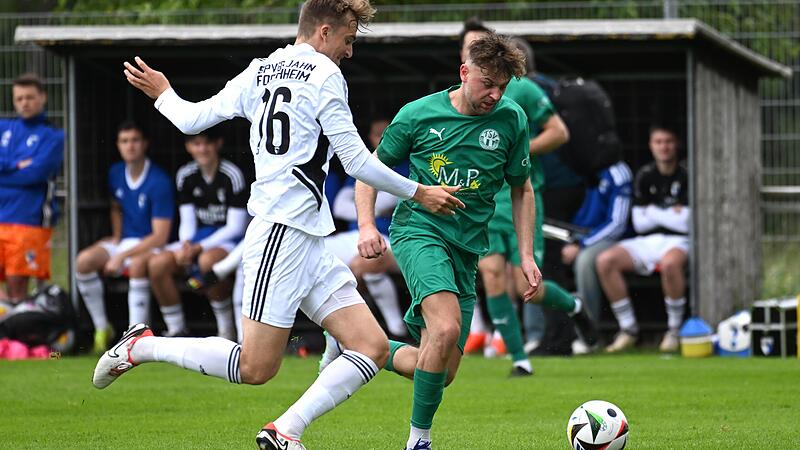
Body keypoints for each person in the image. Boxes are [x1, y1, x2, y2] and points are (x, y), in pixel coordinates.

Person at [94, 1, 463, 449]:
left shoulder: (259, 70)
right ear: (324, 32)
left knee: (371, 347)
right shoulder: (326, 76)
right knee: (256, 368)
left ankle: (284, 430)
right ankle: (143, 346)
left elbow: (191, 119)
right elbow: (356, 160)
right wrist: (419, 191)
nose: (349, 51)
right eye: (348, 39)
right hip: (279, 232)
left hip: (308, 237)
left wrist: (164, 92)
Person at [346, 32, 542, 450]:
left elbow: (522, 188)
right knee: (446, 326)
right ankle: (419, 441)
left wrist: (526, 255)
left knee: (440, 368)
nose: (495, 95)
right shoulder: (418, 115)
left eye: (503, 87)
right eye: (487, 83)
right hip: (419, 232)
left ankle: (357, 342)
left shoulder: (512, 119)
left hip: (468, 248)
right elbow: (369, 170)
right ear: (463, 72)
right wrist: (367, 227)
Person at [460, 21, 597, 369]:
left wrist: (518, 153)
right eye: (466, 46)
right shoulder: (462, 95)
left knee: (526, 283)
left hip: (520, 196)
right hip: (484, 202)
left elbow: (559, 133)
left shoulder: (521, 90)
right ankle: (520, 360)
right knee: (491, 274)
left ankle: (573, 306)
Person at [75, 121, 174, 353]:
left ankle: (134, 337)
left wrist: (121, 256)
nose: (130, 146)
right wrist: (117, 238)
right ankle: (102, 328)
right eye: (124, 141)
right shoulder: (115, 172)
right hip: (125, 243)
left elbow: (160, 236)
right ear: (118, 145)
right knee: (84, 261)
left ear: (145, 144)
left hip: (151, 244)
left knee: (139, 264)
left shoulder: (159, 180)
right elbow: (115, 206)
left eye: (135, 140)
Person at [596, 125, 689, 353]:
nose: (663, 147)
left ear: (676, 144)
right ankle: (628, 330)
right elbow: (639, 222)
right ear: (651, 145)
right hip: (646, 241)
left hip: (679, 240)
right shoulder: (645, 175)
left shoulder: (687, 174)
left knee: (670, 264)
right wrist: (668, 213)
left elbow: (686, 223)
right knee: (605, 261)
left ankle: (674, 330)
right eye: (658, 142)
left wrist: (653, 212)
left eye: (668, 141)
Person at [148, 131, 248, 340]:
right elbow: (187, 221)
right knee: (157, 264)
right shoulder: (186, 175)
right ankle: (177, 329)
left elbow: (236, 227)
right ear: (188, 147)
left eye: (207, 144)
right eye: (197, 144)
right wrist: (186, 245)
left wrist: (199, 247)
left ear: (218, 144)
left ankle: (226, 330)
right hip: (198, 240)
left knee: (207, 261)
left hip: (230, 242)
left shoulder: (232, 174)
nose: (202, 149)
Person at [326, 117, 407, 337]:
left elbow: (387, 202)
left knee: (365, 263)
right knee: (315, 258)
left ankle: (396, 330)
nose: (382, 139)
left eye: (386, 132)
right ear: (370, 138)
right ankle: (351, 335)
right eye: (376, 134)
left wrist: (362, 202)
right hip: (355, 236)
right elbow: (338, 207)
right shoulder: (363, 165)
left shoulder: (407, 165)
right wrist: (369, 206)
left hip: (393, 238)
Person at [0, 73, 64, 303]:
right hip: (1, 215)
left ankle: (21, 335)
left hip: (28, 220)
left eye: (29, 97)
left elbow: (36, 173)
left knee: (18, 285)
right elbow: (25, 172)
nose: (24, 103)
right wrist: (15, 165)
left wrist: (5, 170)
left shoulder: (53, 136)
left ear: (42, 98)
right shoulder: (4, 128)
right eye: (19, 98)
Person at [560, 160, 633, 353]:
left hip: (610, 239)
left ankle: (588, 333)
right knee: (541, 257)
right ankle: (542, 335)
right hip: (577, 236)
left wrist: (581, 244)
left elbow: (617, 224)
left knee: (585, 261)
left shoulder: (617, 172)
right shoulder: (582, 169)